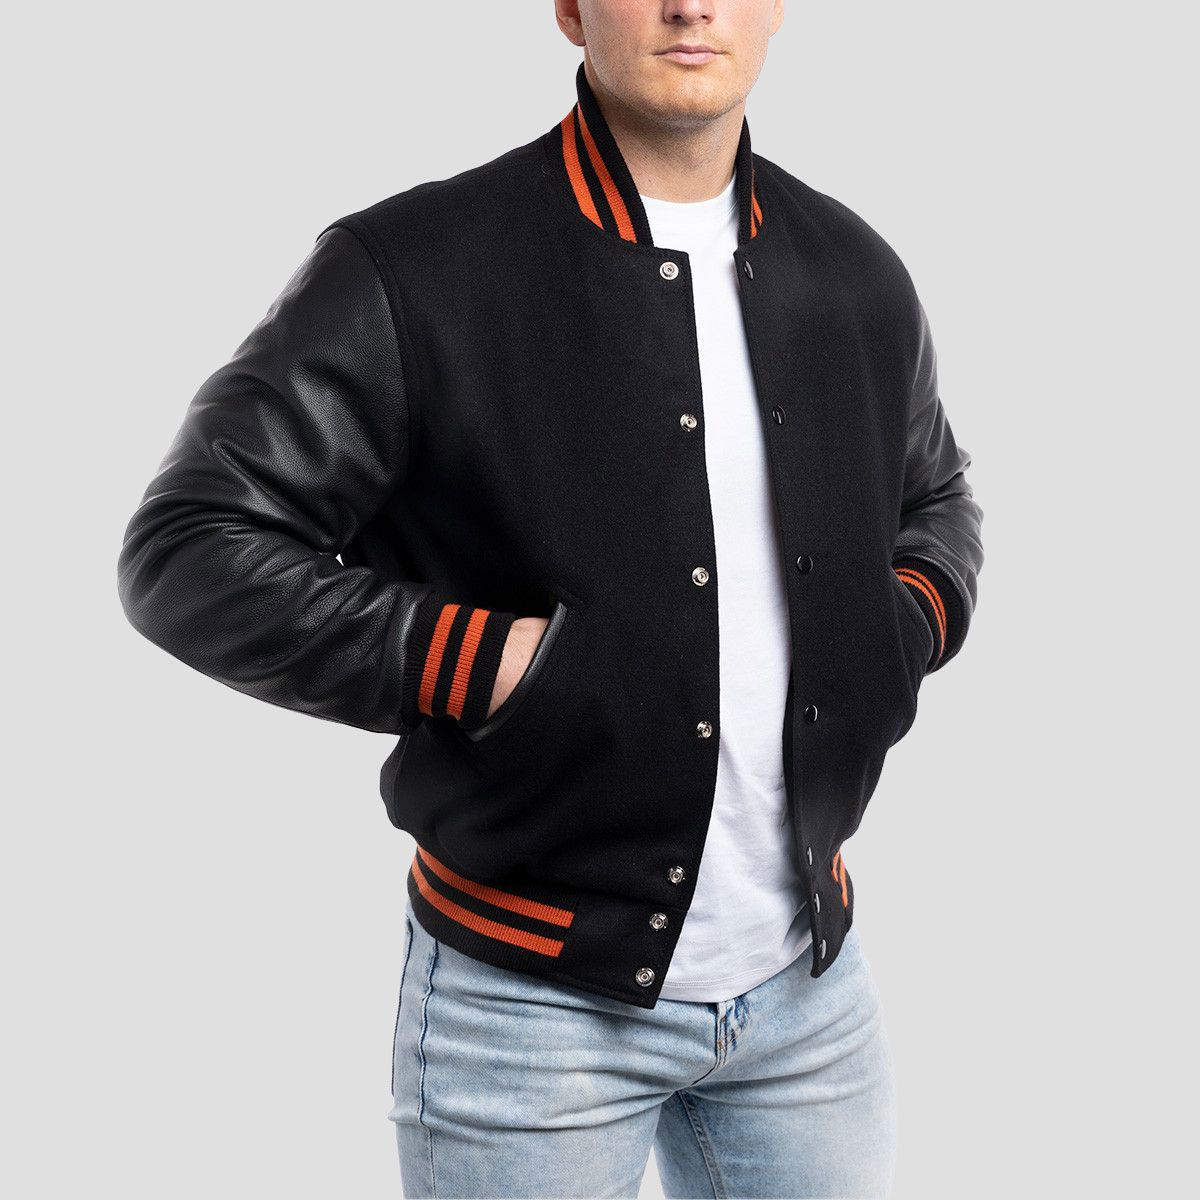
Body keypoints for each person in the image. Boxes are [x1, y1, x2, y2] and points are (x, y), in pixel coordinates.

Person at [117, 1, 984, 1195]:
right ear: (571, 8)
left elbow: (937, 496)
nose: (690, 4)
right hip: (526, 1015)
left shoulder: (855, 270)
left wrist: (895, 629)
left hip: (810, 994)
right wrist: (483, 665)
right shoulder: (417, 268)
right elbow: (188, 547)